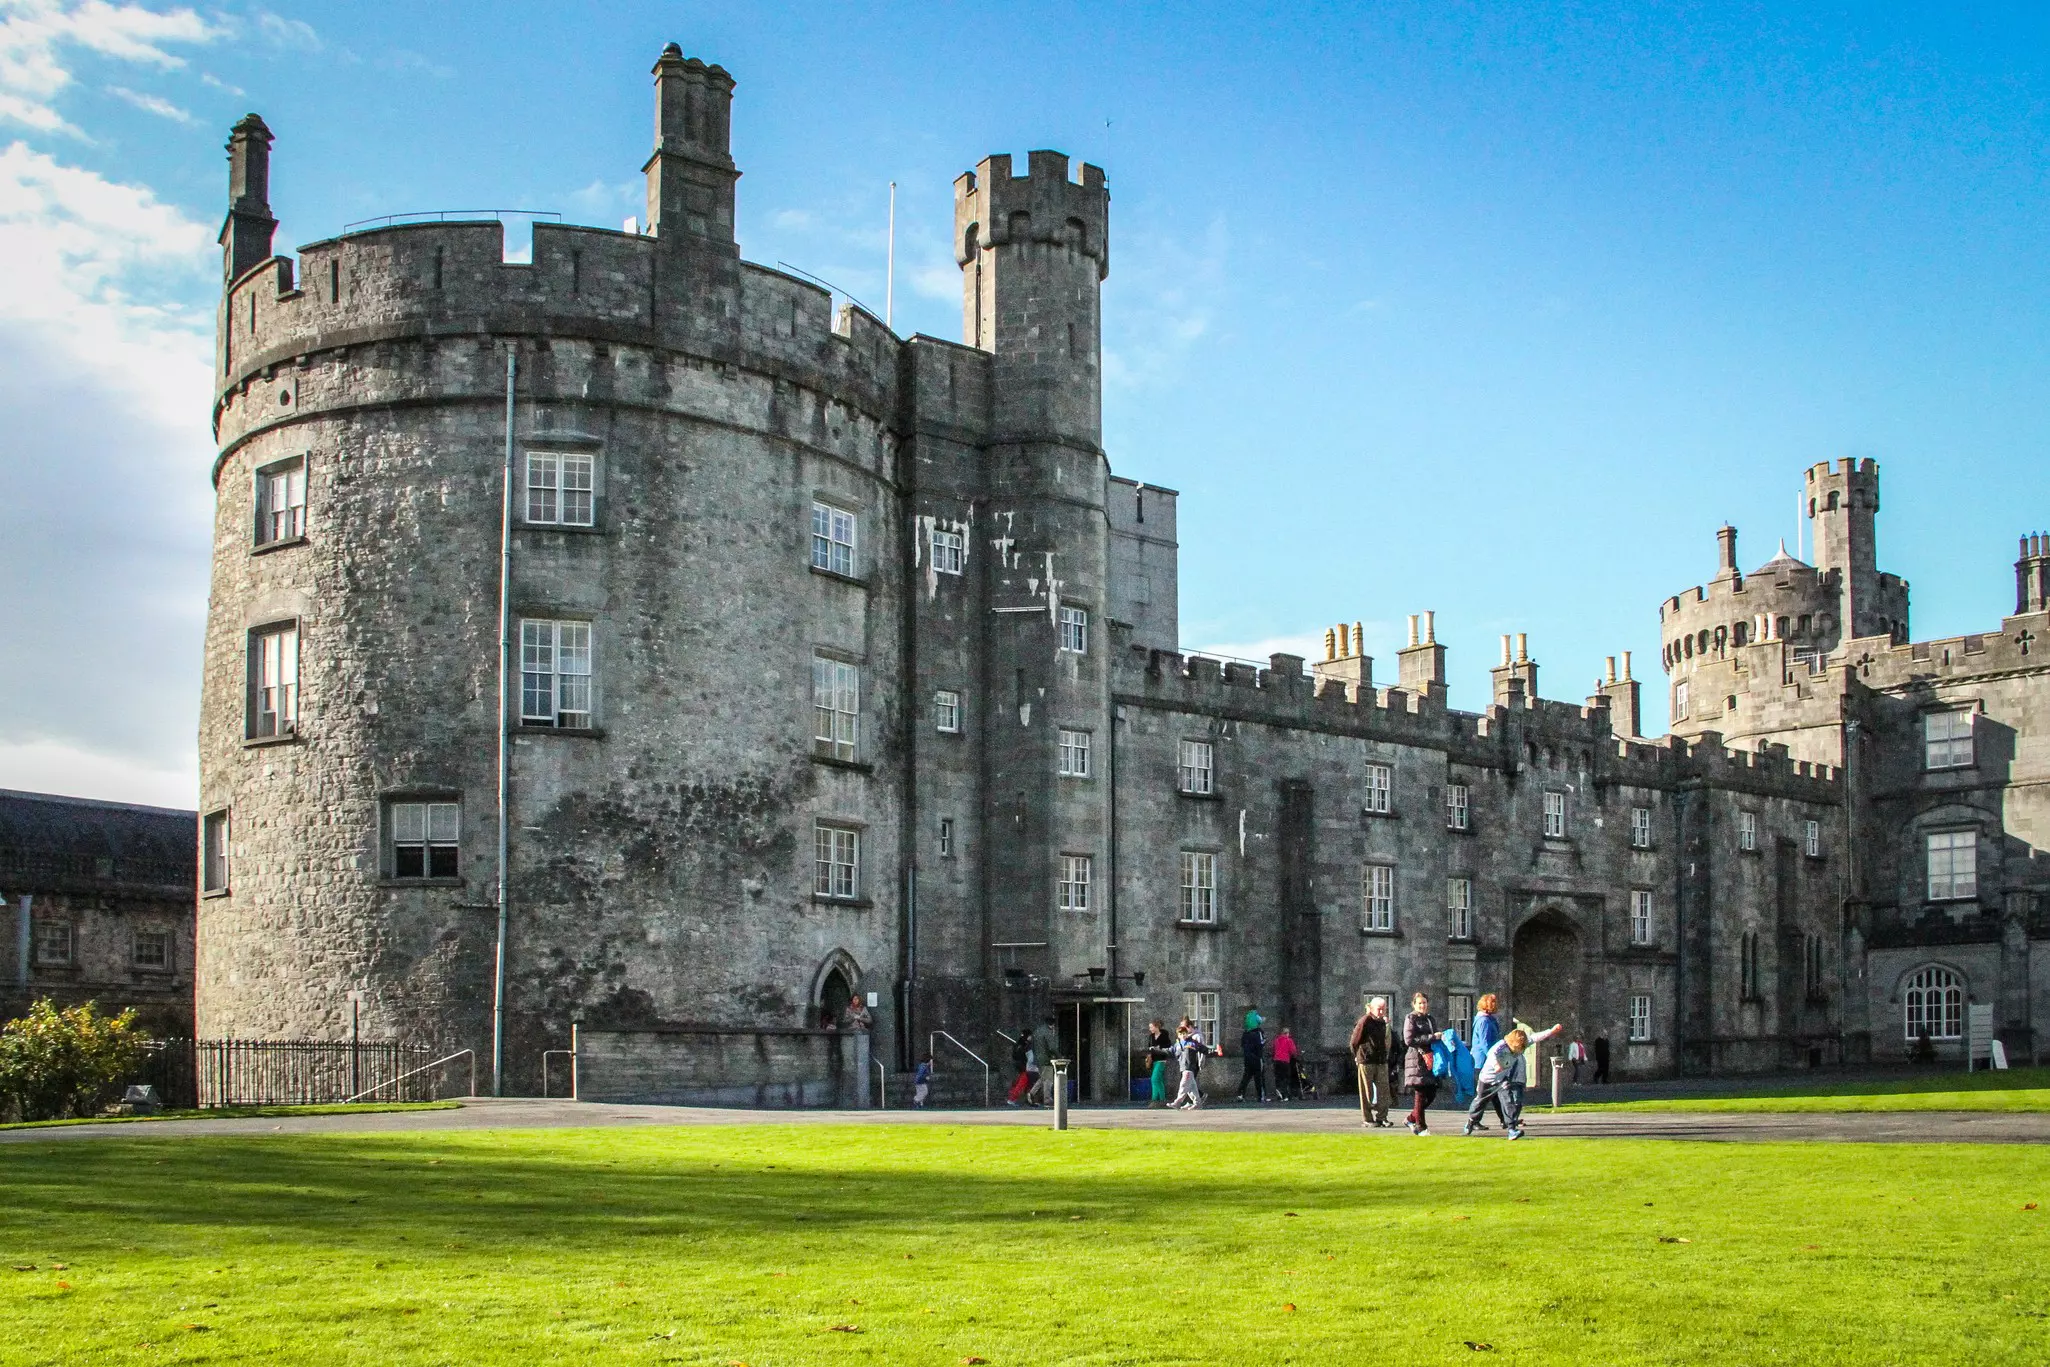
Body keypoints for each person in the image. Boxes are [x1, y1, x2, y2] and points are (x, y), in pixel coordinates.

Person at [1464, 1022, 1562, 1140]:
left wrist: (1551, 1031)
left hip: (1502, 1080)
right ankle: (1471, 1121)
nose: (1521, 1050)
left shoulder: (1522, 1045)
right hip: (1487, 1080)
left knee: (1509, 1101)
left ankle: (1511, 1129)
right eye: (1519, 1048)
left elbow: (1535, 1037)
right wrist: (1496, 1066)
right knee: (1480, 1102)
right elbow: (1492, 1054)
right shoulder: (1501, 1046)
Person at [1402, 992, 1443, 1135]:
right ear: (1414, 1004)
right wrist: (1432, 1037)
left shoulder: (1430, 1018)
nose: (1422, 1005)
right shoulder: (1411, 1018)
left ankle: (1411, 1118)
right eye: (1419, 1003)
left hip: (1430, 1058)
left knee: (1431, 1093)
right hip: (1417, 1059)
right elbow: (1409, 1040)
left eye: (1424, 1002)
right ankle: (1421, 1127)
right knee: (1420, 1092)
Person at [1350, 997, 1393, 1127]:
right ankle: (1367, 1119)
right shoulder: (1364, 1021)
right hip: (1366, 1060)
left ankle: (1382, 1117)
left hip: (1381, 1061)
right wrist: (1357, 1056)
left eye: (1383, 1009)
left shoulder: (1383, 1023)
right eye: (1379, 1009)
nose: (1381, 1012)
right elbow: (1354, 1041)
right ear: (1372, 1008)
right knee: (1367, 1092)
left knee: (1384, 1091)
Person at [1171, 1021, 1212, 1109]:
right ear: (1178, 1035)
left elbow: (1204, 1049)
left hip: (1190, 1066)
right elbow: (1170, 1051)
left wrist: (1214, 1051)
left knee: (1184, 1084)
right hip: (1183, 1067)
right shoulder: (1177, 1045)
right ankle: (1197, 1103)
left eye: (1184, 1033)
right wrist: (1156, 1049)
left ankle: (1178, 1101)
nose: (1183, 1035)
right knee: (1191, 1087)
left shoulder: (1192, 1042)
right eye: (1181, 1034)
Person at [1237, 1011, 1271, 1103]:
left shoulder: (1245, 1033)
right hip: (1257, 1057)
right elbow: (1260, 1044)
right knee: (1259, 1078)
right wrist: (1265, 1040)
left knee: (1246, 1076)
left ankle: (1240, 1094)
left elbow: (1243, 1045)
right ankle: (1261, 1096)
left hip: (1247, 1058)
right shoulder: (1258, 1032)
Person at [1026, 1015, 1059, 1106]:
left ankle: (1031, 1093)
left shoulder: (1037, 1031)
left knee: (1043, 1078)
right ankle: (1047, 1100)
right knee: (1048, 1079)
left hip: (1038, 1059)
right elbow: (1052, 1047)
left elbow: (1033, 1045)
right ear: (1052, 1025)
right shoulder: (1047, 1032)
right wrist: (1059, 1056)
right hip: (1046, 1059)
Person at [1144, 1019, 1175, 1106]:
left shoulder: (1164, 1035)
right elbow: (1149, 1046)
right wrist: (1151, 1050)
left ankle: (1154, 1100)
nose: (1150, 1029)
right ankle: (1162, 1099)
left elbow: (1168, 1045)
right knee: (1159, 1080)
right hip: (1154, 1059)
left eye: (1151, 1027)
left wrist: (1159, 1047)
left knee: (1154, 1079)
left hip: (1161, 1060)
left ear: (1156, 1027)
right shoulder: (1151, 1036)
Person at [1005, 1029, 1036, 1105]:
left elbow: (1014, 1055)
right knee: (1022, 1082)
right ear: (1028, 1036)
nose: (1031, 1037)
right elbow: (1030, 1058)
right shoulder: (1026, 1044)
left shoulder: (1018, 1043)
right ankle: (1012, 1099)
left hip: (1018, 1066)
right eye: (1030, 1036)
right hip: (1023, 1066)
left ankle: (1019, 1098)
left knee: (1020, 1082)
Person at [1271, 1027, 1301, 1101]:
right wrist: (1296, 1055)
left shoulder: (1276, 1040)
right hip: (1285, 1061)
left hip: (1276, 1060)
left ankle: (1278, 1091)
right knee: (1285, 1078)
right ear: (1287, 1033)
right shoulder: (1289, 1040)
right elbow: (1293, 1051)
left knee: (1278, 1077)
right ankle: (1284, 1094)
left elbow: (1273, 1049)